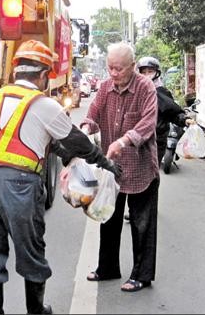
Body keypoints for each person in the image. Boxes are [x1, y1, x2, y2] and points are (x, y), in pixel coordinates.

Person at [0, 39, 121, 314]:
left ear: (17, 71)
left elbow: (29, 136)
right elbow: (79, 143)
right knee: (31, 250)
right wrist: (105, 163)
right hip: (17, 185)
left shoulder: (0, 95)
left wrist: (61, 153)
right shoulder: (44, 104)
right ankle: (36, 310)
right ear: (42, 76)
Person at [80, 42, 159, 293]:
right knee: (109, 219)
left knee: (141, 224)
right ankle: (108, 268)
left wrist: (123, 141)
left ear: (133, 67)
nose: (114, 74)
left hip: (141, 168)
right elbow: (92, 115)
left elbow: (148, 123)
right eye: (110, 68)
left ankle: (141, 275)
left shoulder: (145, 87)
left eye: (119, 69)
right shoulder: (105, 88)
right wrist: (85, 129)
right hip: (112, 169)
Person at [136, 56, 195, 170]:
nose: (147, 75)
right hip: (137, 140)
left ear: (157, 73)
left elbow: (173, 112)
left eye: (150, 71)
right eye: (144, 72)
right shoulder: (135, 91)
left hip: (157, 140)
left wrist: (185, 119)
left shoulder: (161, 92)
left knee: (151, 175)